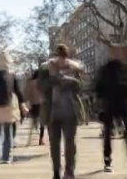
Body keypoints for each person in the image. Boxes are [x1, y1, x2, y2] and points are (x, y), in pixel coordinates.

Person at [95, 46, 127, 176]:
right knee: (110, 135)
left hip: (119, 105)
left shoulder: (123, 69)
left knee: (124, 135)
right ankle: (109, 161)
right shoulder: (107, 70)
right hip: (110, 105)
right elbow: (99, 89)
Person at [39, 44, 82, 179]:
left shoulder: (75, 68)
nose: (61, 60)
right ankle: (56, 171)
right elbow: (41, 86)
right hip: (52, 112)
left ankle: (69, 171)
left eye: (63, 56)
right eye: (59, 56)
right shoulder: (46, 68)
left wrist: (68, 80)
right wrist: (53, 80)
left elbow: (81, 86)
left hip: (70, 112)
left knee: (69, 143)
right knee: (54, 144)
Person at [0, 51, 28, 167]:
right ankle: (6, 157)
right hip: (8, 106)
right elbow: (19, 93)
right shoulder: (12, 76)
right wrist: (23, 105)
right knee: (8, 133)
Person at [25, 70, 46, 146]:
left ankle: (29, 139)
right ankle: (41, 139)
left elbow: (26, 94)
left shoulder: (29, 82)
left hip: (33, 104)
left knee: (33, 122)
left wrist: (28, 104)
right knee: (42, 123)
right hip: (41, 104)